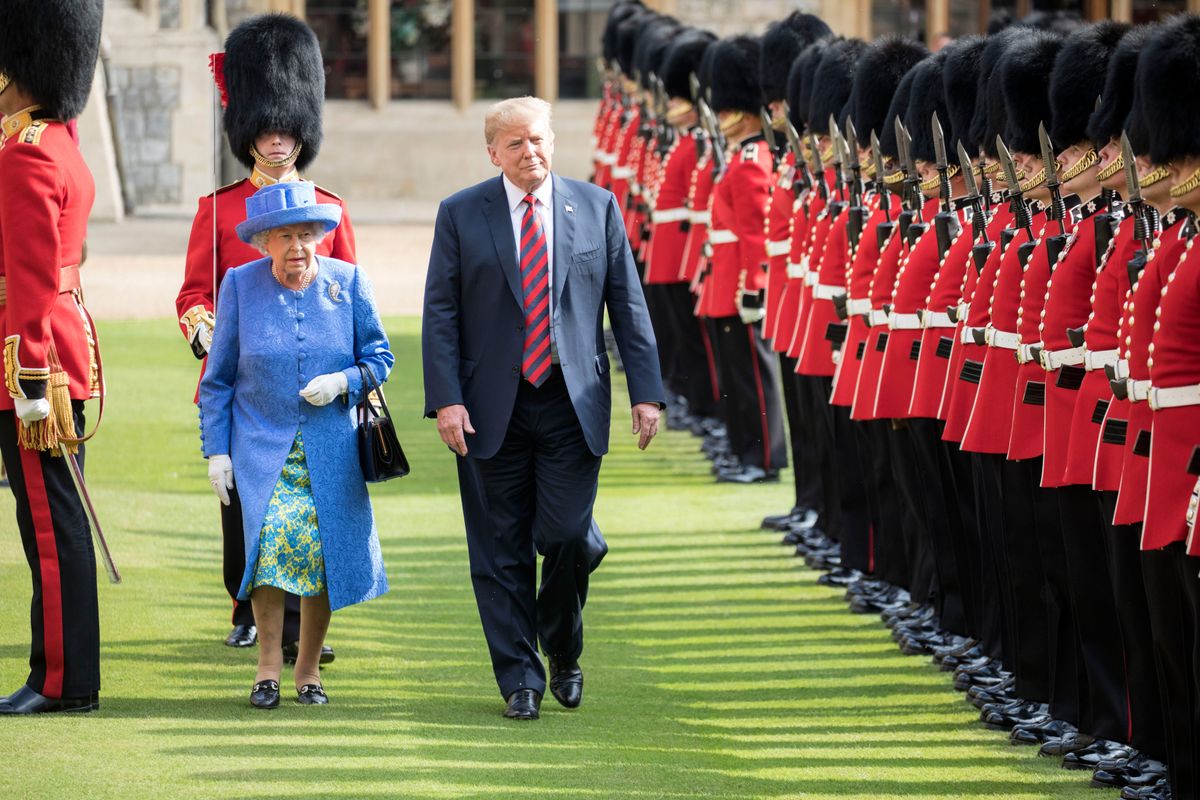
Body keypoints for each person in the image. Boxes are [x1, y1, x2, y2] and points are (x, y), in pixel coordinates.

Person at [422, 96, 665, 720]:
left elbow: (628, 306)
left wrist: (646, 392)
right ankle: (520, 680)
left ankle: (562, 646)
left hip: (570, 402)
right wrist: (446, 400)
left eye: (537, 140)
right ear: (493, 153)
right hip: (487, 408)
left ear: (552, 140)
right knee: (499, 550)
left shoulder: (596, 205)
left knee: (564, 537)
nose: (529, 153)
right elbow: (441, 313)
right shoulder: (460, 214)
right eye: (515, 145)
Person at [175, 13, 356, 657]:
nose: (278, 141)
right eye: (267, 129)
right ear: (248, 131)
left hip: (312, 383)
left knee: (313, 505)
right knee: (245, 506)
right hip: (244, 379)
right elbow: (194, 292)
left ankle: (305, 623)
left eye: (288, 130)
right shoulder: (219, 209)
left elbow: (349, 292)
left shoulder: (329, 210)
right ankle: (248, 609)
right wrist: (206, 334)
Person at [199, 181, 392, 708]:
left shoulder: (348, 282)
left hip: (331, 449)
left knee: (322, 553)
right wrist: (216, 451)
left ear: (322, 236)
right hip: (261, 447)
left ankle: (308, 670)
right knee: (269, 550)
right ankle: (266, 669)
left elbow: (379, 356)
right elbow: (217, 380)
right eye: (284, 236)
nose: (297, 248)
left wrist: (343, 382)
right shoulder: (239, 285)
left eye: (307, 234)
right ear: (263, 241)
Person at [0, 0, 105, 716]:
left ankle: (63, 681)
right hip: (61, 348)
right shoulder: (60, 141)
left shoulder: (27, 150)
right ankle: (59, 670)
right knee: (51, 519)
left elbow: (34, 275)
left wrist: (32, 380)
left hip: (36, 364)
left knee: (47, 521)